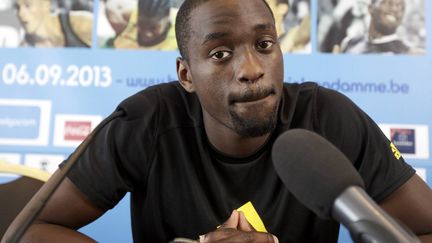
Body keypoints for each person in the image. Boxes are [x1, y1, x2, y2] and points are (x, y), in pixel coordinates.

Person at [3, 0, 432, 242]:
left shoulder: (327, 119)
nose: (251, 68)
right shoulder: (146, 121)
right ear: (186, 75)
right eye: (220, 54)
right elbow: (30, 231)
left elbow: (425, 229)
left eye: (265, 44)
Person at [342, 0, 424, 54]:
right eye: (388, 3)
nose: (395, 9)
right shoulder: (350, 42)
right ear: (371, 9)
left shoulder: (410, 53)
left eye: (401, 6)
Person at [15, 0, 93, 47]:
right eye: (17, 7)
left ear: (46, 5)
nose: (21, 13)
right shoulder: (24, 47)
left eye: (28, 5)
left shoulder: (80, 23)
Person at [111, 0, 177, 50]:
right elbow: (111, 7)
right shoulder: (129, 17)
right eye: (141, 25)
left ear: (167, 15)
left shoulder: (180, 33)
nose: (147, 34)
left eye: (153, 28)